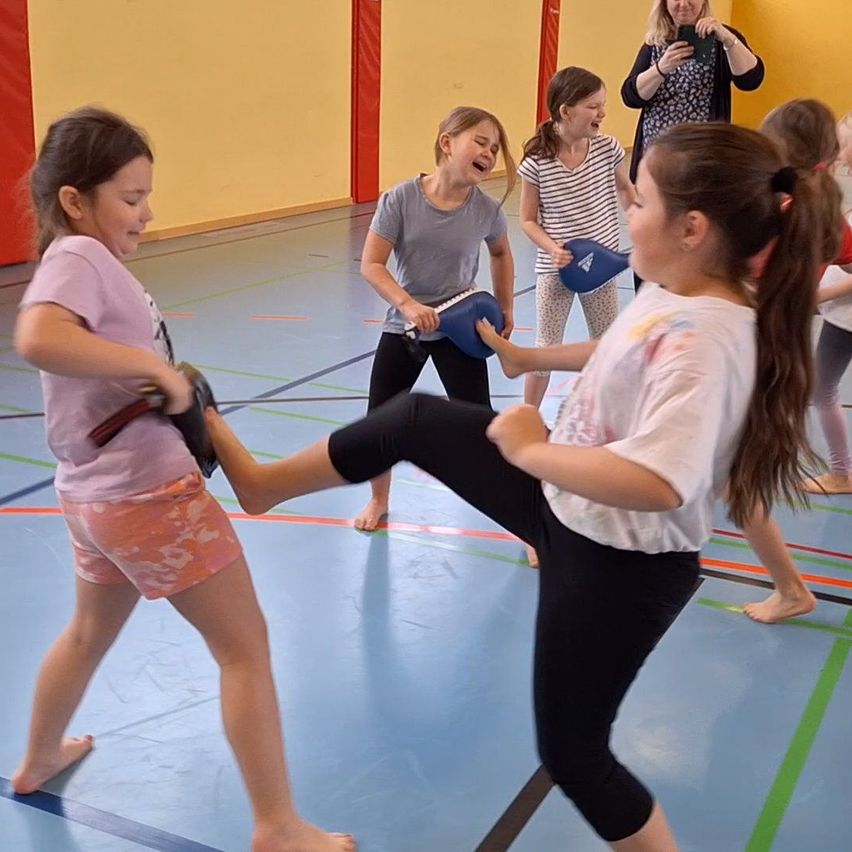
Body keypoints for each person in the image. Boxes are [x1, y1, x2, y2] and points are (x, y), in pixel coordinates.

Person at [204, 122, 822, 850]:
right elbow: (620, 345)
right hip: (570, 510)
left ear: (690, 227)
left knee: (574, 756)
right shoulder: (677, 290)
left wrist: (533, 450)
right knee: (415, 419)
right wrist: (532, 355)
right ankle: (264, 485)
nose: (627, 213)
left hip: (620, 567)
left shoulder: (712, 340)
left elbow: (660, 482)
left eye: (639, 202)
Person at [12, 107, 354, 852]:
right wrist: (152, 369)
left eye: (146, 196)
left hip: (93, 501)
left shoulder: (78, 260)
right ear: (75, 199)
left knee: (86, 633)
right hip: (148, 498)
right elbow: (37, 336)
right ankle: (278, 826)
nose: (146, 211)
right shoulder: (78, 256)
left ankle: (39, 756)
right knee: (245, 647)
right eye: (129, 199)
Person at [353, 106, 516, 533]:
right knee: (379, 420)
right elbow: (372, 264)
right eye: (480, 141)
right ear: (447, 142)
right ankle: (379, 499)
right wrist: (407, 305)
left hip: (460, 331)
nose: (489, 153)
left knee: (480, 424)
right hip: (407, 328)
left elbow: (500, 252)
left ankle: (522, 518)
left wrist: (506, 306)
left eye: (495, 148)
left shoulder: (485, 209)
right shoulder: (401, 199)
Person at [742, 100, 852, 623]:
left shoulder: (793, 210)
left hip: (761, 349)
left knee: (737, 479)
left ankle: (790, 588)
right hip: (775, 346)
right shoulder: (809, 202)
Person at [621, 0, 764, 290]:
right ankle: (649, 298)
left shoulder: (724, 39)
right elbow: (631, 95)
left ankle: (689, 293)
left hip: (701, 166)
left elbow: (751, 78)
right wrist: (661, 68)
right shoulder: (654, 43)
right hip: (655, 163)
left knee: (695, 237)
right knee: (653, 231)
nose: (683, 3)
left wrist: (726, 38)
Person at [517, 67, 636, 410]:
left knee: (606, 342)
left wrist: (639, 216)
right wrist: (553, 249)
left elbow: (625, 189)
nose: (602, 113)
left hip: (600, 269)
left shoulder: (607, 148)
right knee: (545, 348)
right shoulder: (537, 161)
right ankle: (528, 416)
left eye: (603, 105)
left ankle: (608, 413)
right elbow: (526, 220)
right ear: (565, 110)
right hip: (557, 270)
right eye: (593, 106)